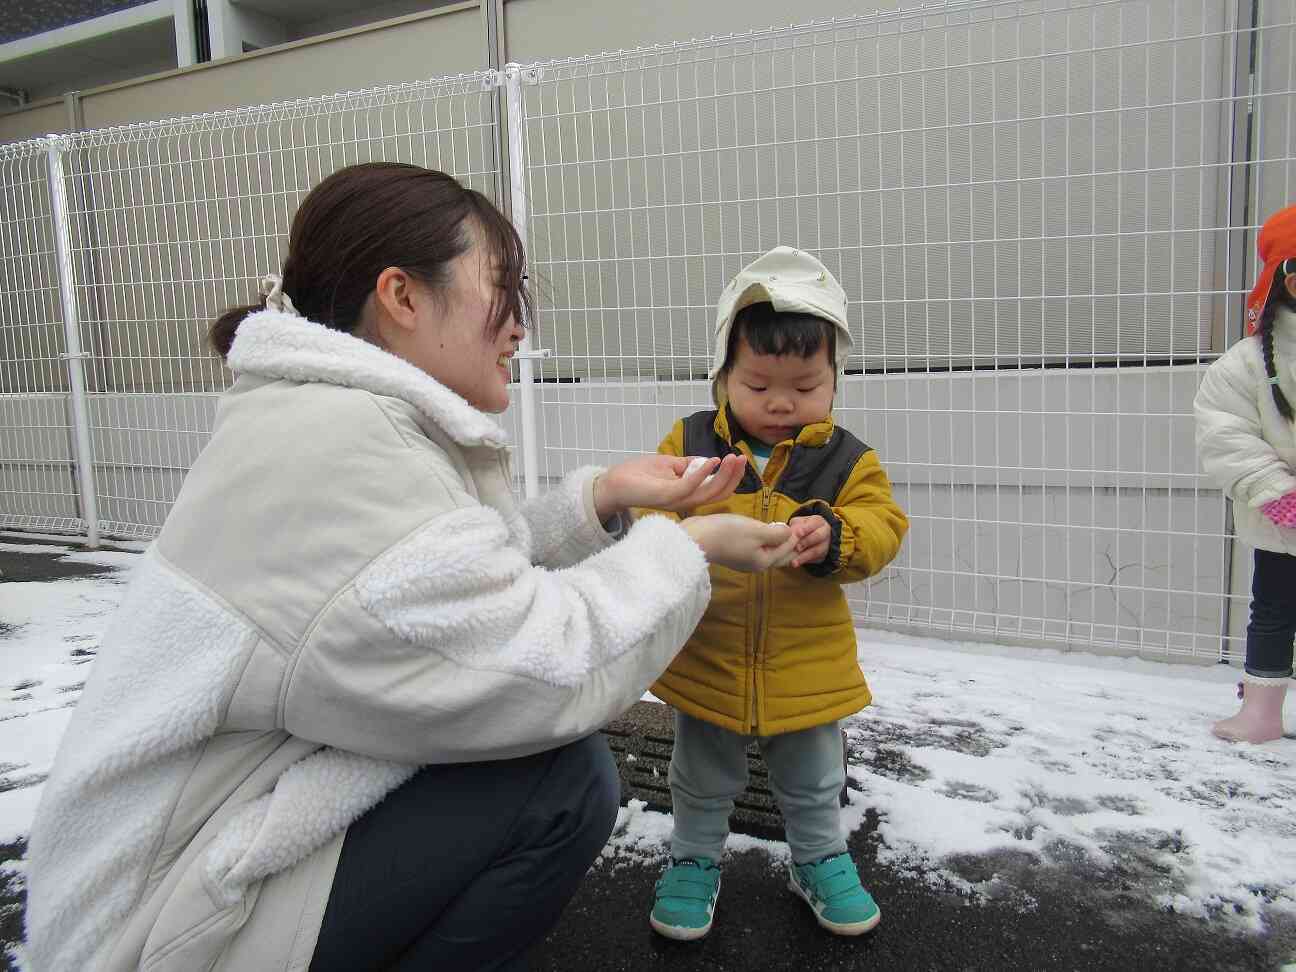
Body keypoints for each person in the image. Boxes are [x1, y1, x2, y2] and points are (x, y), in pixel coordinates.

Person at [22, 162, 801, 972]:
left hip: (166, 860)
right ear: (401, 297)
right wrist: (688, 548)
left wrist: (600, 498)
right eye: (504, 288)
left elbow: (431, 588)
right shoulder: (341, 454)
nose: (519, 327)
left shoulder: (321, 417)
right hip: (149, 926)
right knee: (557, 786)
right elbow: (537, 669)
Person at [640, 247, 908, 941]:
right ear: (722, 377)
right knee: (700, 775)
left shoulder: (846, 460)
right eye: (758, 384)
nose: (782, 402)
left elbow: (883, 527)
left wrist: (838, 536)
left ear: (834, 383)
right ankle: (694, 858)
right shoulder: (693, 441)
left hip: (807, 663)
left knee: (815, 777)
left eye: (806, 386)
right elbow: (653, 510)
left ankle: (818, 859)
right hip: (711, 653)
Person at [1196, 203, 1296, 744]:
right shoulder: (1247, 363)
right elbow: (1224, 431)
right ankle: (1260, 713)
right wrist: (1278, 494)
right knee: (1274, 611)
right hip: (1283, 522)